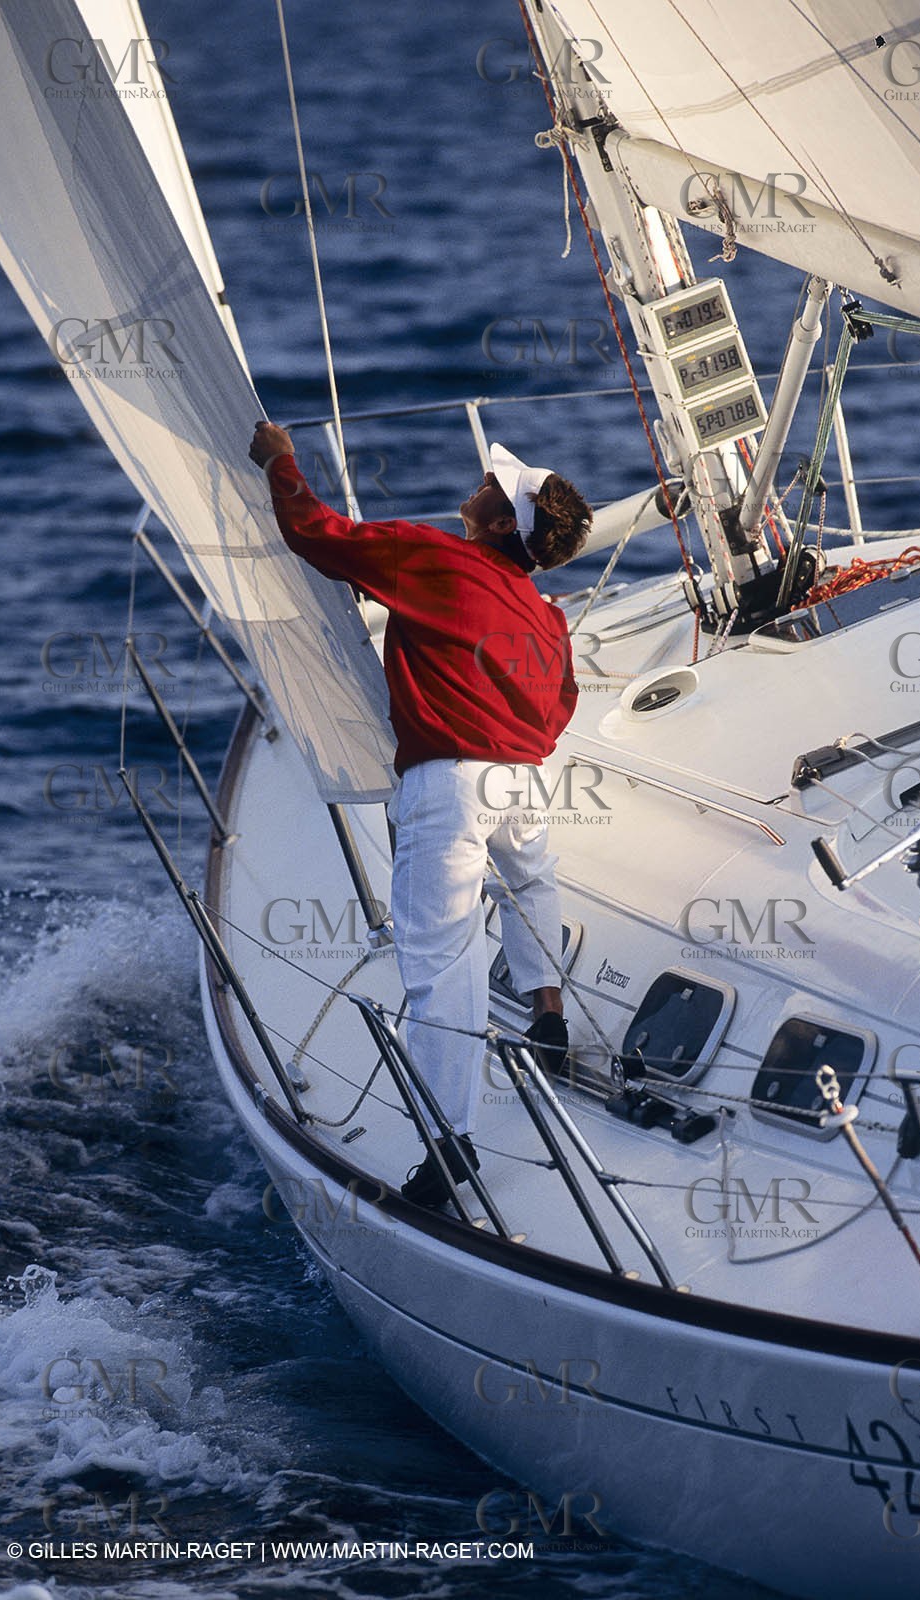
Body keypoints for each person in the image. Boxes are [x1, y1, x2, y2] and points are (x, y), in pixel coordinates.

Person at [249, 421, 592, 1206]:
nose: (478, 483)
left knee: (441, 965)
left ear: (504, 523)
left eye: (492, 489)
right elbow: (561, 703)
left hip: (451, 784)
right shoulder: (545, 614)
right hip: (523, 778)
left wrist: (281, 461)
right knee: (531, 883)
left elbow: (316, 533)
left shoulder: (434, 555)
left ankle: (451, 1139)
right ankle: (548, 1016)